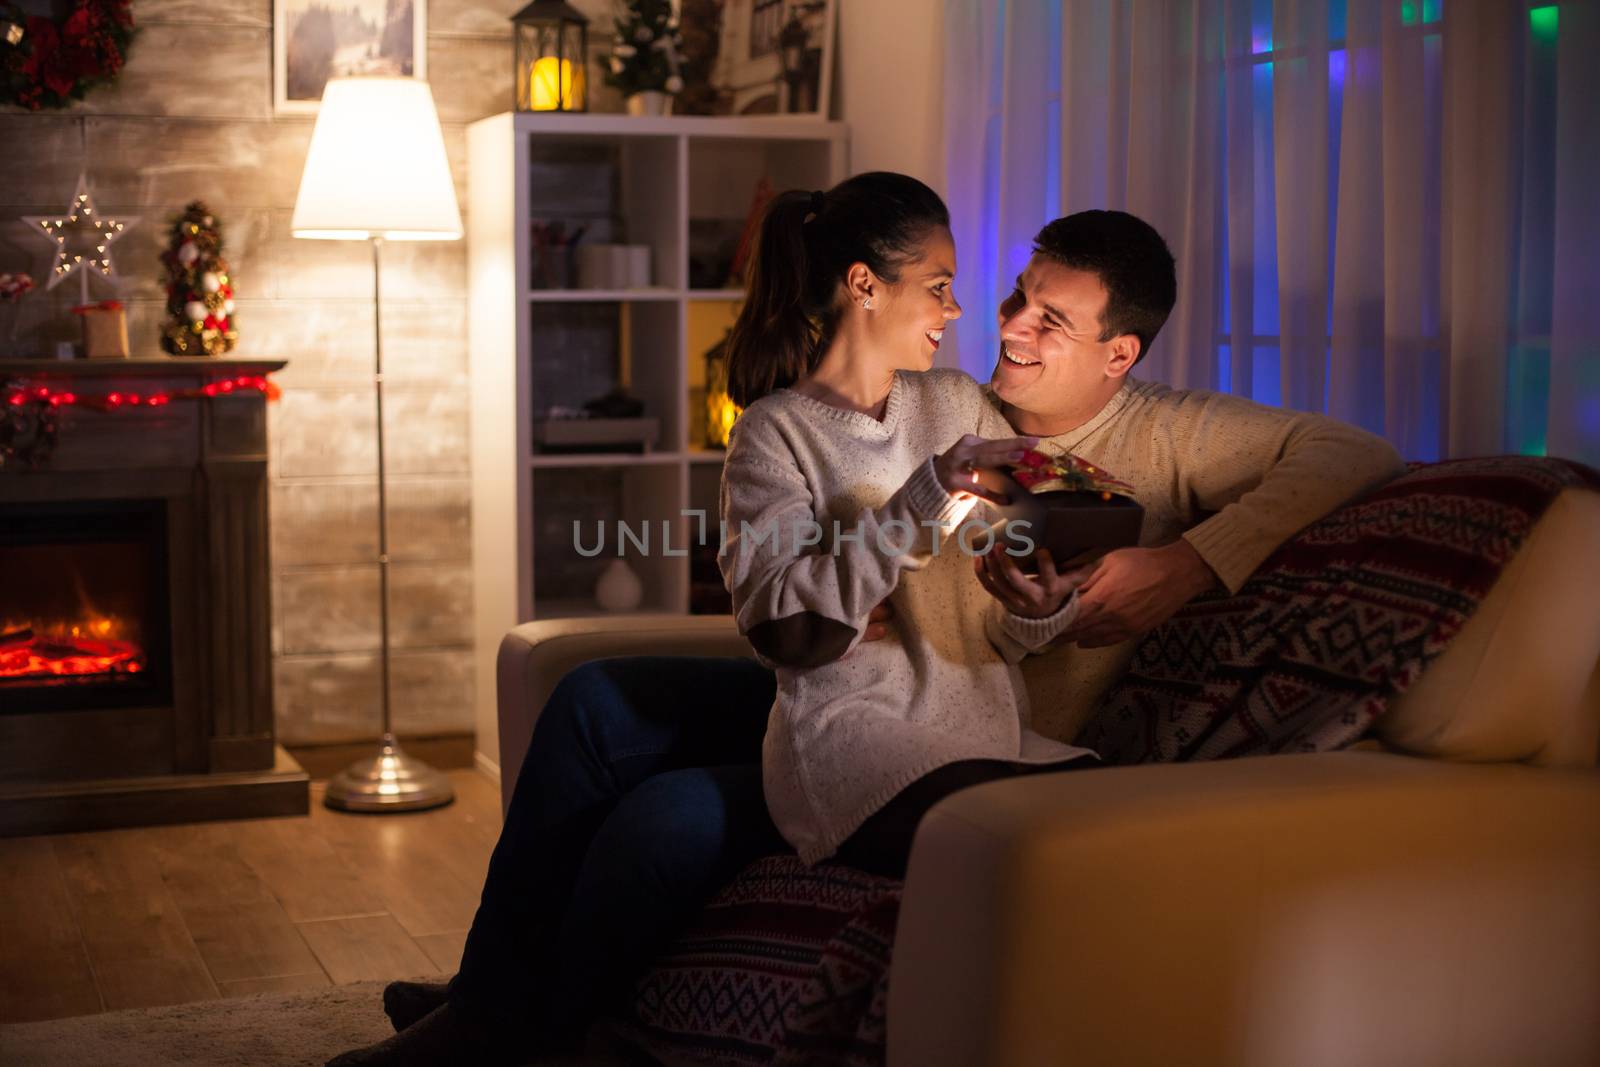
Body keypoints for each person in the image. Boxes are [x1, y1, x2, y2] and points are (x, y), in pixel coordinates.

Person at [330, 206, 1403, 1064]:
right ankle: (486, 996)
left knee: (663, 815)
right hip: (869, 685)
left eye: (1050, 321)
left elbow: (1351, 453)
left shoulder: (1169, 433)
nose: (1011, 329)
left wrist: (1186, 564)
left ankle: (517, 1023)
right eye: (1014, 300)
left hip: (968, 727)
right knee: (597, 698)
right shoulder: (952, 402)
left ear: (1118, 353)